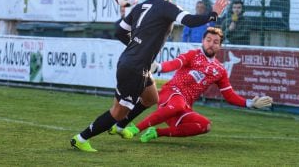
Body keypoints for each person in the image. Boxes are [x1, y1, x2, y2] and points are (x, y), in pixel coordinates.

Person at [70, 0, 229, 152]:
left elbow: (119, 31)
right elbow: (190, 21)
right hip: (135, 67)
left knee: (151, 97)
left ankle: (121, 126)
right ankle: (81, 138)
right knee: (118, 111)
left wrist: (137, 45)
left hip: (133, 63)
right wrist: (214, 13)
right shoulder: (167, 7)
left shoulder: (141, 6)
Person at [114, 27, 272, 142]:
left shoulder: (220, 70)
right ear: (203, 41)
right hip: (170, 94)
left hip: (183, 106)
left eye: (215, 42)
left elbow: (229, 95)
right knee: (178, 105)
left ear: (220, 46)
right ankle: (134, 129)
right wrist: (160, 67)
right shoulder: (193, 54)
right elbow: (176, 63)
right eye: (208, 40)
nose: (211, 44)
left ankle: (156, 132)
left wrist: (250, 103)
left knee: (205, 125)